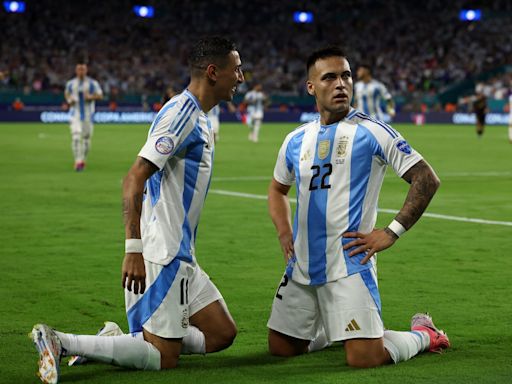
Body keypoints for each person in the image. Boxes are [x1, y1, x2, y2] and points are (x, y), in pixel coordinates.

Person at [30, 36, 245, 383]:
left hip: (182, 252)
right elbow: (134, 178)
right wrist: (134, 249)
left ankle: (121, 341)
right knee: (163, 358)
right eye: (237, 70)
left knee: (222, 334)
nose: (242, 77)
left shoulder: (199, 115)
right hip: (163, 253)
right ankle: (61, 341)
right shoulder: (182, 114)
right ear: (212, 72)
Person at [266, 46, 449, 368]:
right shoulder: (296, 139)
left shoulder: (373, 131)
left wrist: (391, 232)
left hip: (349, 262)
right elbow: (278, 189)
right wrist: (284, 231)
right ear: (311, 86)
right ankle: (338, 326)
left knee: (364, 359)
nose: (341, 84)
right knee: (281, 348)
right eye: (330, 77)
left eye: (346, 76)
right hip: (302, 262)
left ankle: (424, 334)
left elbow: (426, 178)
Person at [64, 61, 103, 172]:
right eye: (79, 69)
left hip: (88, 115)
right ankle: (78, 161)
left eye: (83, 69)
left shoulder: (92, 83)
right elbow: (67, 93)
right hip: (74, 114)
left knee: (86, 139)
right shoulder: (71, 83)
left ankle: (83, 159)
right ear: (76, 70)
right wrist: (69, 100)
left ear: (86, 70)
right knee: (76, 137)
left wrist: (91, 97)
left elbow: (100, 95)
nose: (81, 71)